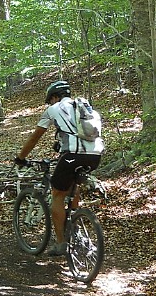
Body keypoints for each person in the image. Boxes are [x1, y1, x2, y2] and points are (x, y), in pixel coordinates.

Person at [13, 80, 103, 256]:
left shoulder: (53, 109)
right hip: (95, 155)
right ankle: (76, 222)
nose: (50, 103)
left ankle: (61, 243)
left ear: (54, 97)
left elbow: (34, 138)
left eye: (50, 100)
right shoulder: (83, 107)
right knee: (71, 186)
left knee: (57, 194)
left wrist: (20, 157)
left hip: (72, 155)